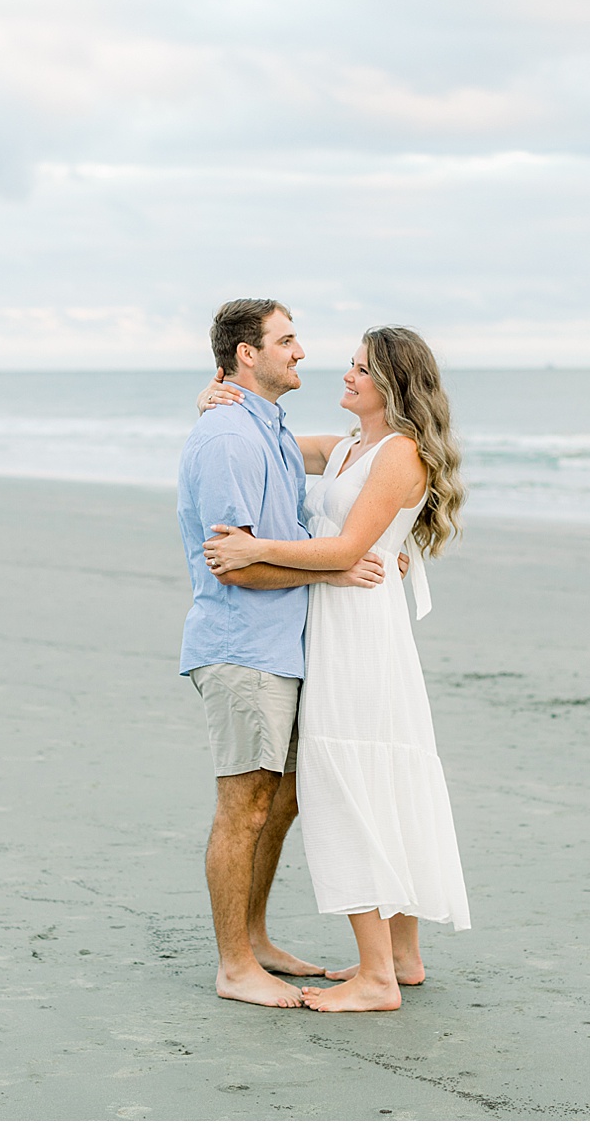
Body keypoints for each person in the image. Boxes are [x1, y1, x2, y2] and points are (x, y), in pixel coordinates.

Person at [201, 326, 471, 1013]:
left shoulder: (401, 453)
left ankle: (377, 979)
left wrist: (253, 547)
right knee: (375, 776)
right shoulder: (349, 445)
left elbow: (350, 548)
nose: (345, 375)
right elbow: (268, 445)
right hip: (339, 619)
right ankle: (402, 956)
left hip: (361, 630)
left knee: (352, 780)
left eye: (359, 369)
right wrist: (219, 398)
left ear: (391, 383)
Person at [176, 298, 395, 1009]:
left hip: (283, 645)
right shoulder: (229, 439)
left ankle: (258, 938)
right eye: (287, 339)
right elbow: (231, 563)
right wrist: (331, 570)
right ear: (248, 353)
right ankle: (235, 964)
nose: (301, 352)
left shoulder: (264, 426)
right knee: (243, 804)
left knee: (283, 797)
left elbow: (353, 451)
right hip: (242, 646)